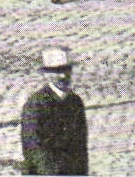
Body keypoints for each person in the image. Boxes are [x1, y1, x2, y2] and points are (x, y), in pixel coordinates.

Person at [20, 46, 88, 175]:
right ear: (47, 74)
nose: (63, 76)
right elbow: (32, 145)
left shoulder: (75, 102)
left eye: (66, 70)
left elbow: (81, 146)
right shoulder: (36, 103)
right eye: (57, 71)